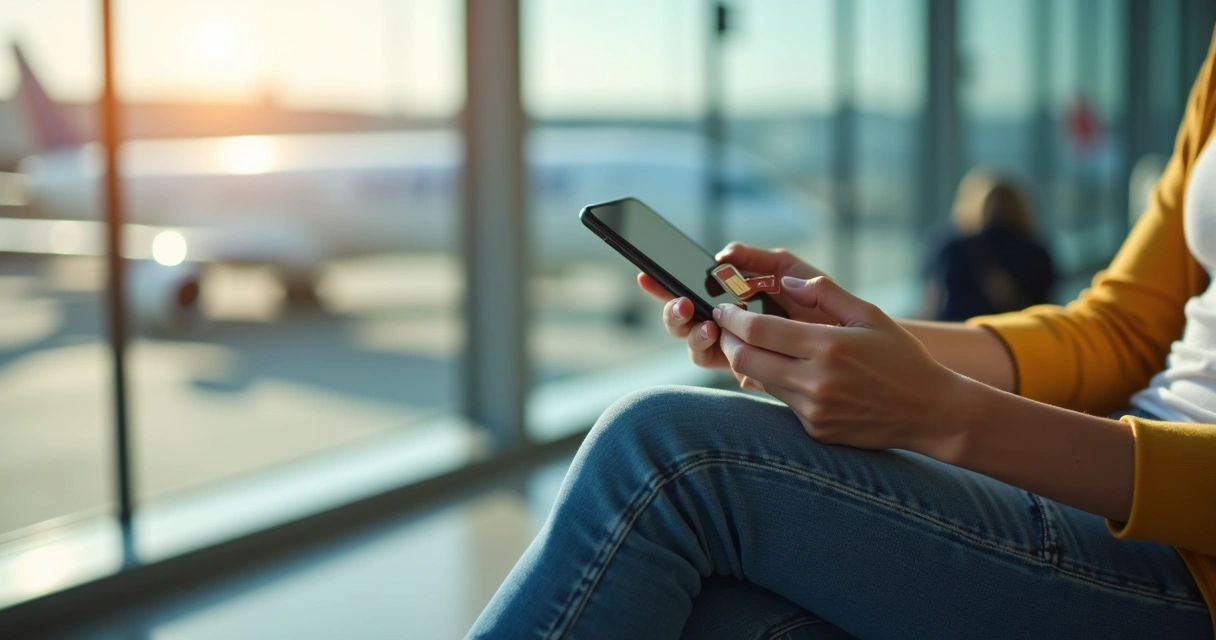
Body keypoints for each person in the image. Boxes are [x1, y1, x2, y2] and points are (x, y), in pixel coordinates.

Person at [467, 37, 1216, 640]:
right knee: (708, 611)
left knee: (666, 453)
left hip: (1187, 562)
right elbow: (1120, 331)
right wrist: (843, 334)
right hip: (1105, 466)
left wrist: (941, 413)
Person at [921, 170, 1056, 321]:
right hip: (1010, 331)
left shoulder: (952, 245)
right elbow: (1045, 303)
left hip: (957, 330)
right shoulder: (1036, 251)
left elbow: (934, 299)